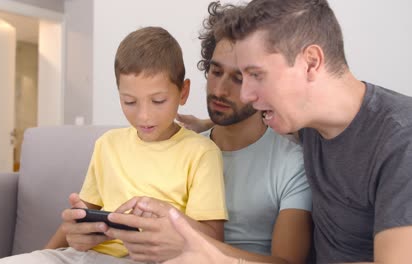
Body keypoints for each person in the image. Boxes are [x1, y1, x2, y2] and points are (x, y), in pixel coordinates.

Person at [161, 0, 412, 263]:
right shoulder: (308, 122)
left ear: (311, 63)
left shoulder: (400, 140)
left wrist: (212, 255)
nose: (245, 94)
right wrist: (205, 125)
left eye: (256, 75)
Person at [0, 26, 228, 263]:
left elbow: (212, 238)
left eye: (158, 100)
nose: (144, 116)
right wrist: (47, 250)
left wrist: (169, 216)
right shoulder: (108, 144)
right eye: (130, 102)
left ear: (183, 92)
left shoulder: (201, 152)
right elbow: (83, 215)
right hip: (83, 255)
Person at [95, 3, 312, 263]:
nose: (219, 90)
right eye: (216, 71)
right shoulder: (184, 148)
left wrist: (193, 246)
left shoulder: (291, 163)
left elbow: (287, 263)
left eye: (238, 78)